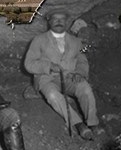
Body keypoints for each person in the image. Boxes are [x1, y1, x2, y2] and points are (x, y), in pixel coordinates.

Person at [24, 10, 103, 140]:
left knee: (85, 89)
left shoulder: (76, 41)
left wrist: (80, 73)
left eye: (62, 19)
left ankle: (93, 123)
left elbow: (82, 61)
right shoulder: (38, 40)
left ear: (67, 22)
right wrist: (48, 66)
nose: (59, 22)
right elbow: (29, 64)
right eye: (55, 19)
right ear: (49, 21)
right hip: (46, 79)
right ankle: (78, 124)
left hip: (70, 77)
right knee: (52, 95)